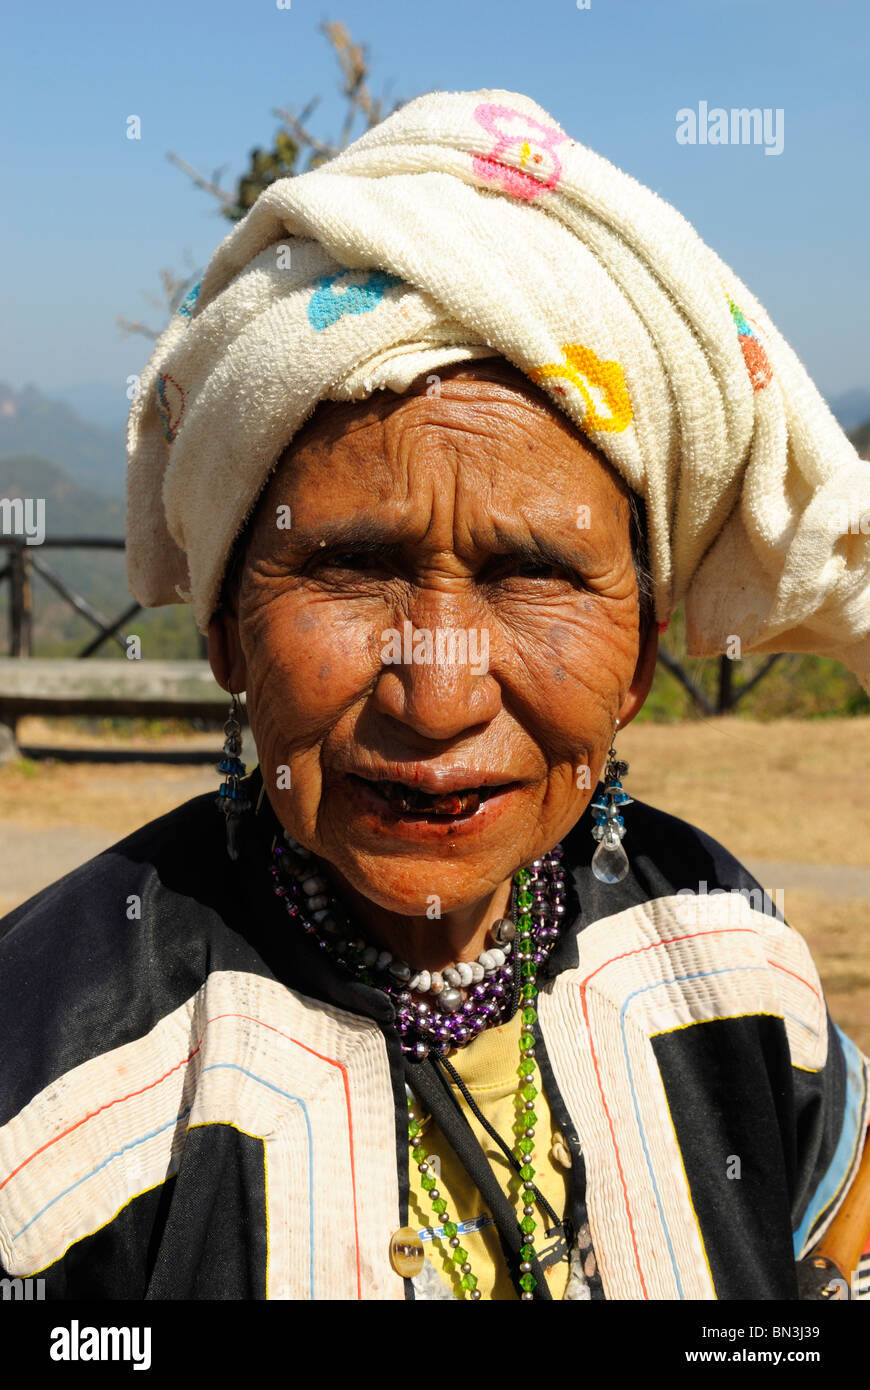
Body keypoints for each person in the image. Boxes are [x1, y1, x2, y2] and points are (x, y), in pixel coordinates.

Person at [0, 88, 867, 1302]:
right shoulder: (47, 1080)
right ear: (226, 635)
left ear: (638, 657)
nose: (442, 692)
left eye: (537, 574)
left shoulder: (740, 971)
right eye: (350, 567)